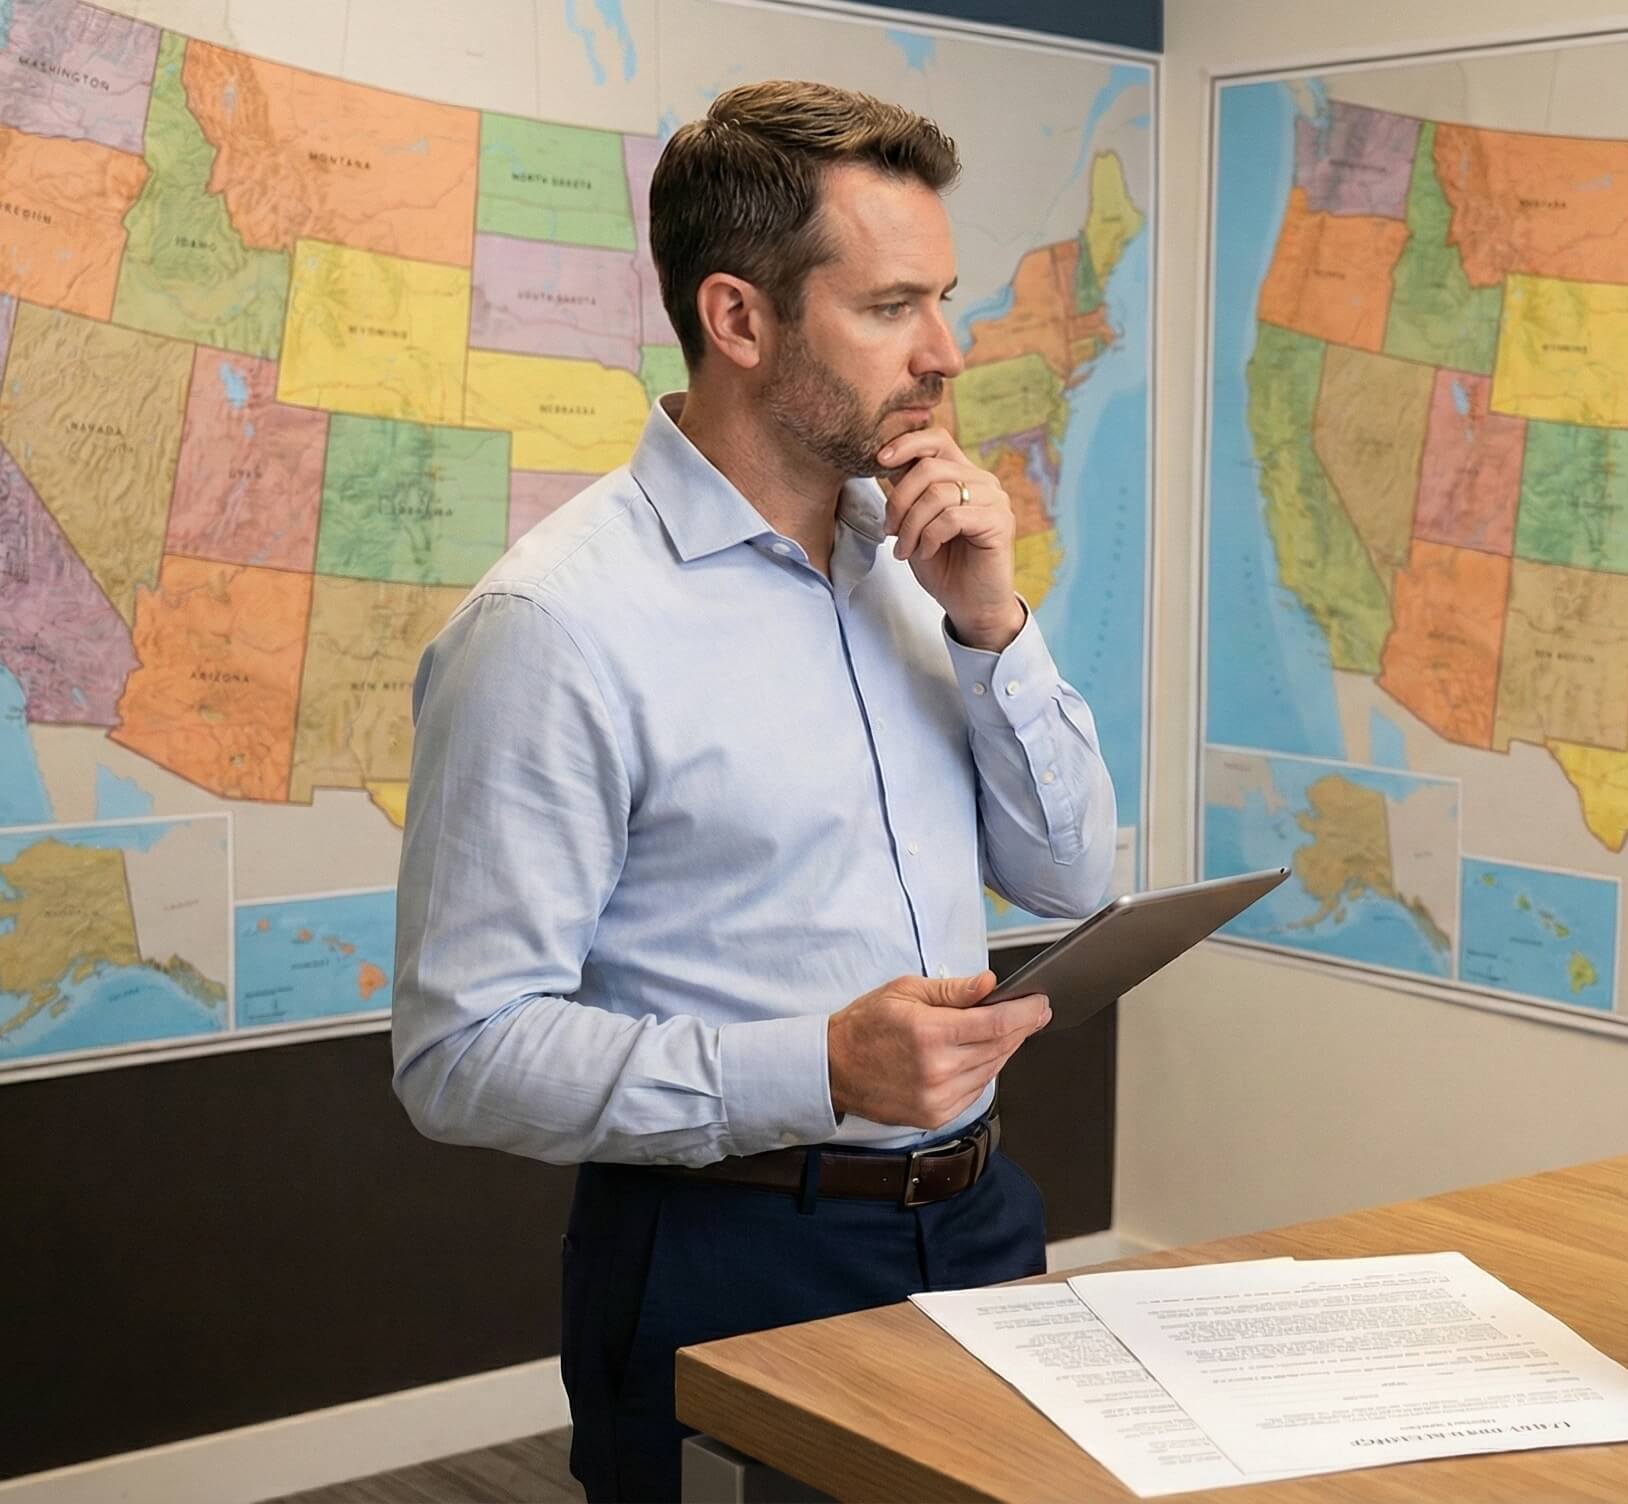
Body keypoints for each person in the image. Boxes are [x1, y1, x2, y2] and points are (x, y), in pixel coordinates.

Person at [388, 79, 1116, 1503]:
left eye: (944, 300)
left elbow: (1073, 882)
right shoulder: (553, 628)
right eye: (893, 306)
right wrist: (820, 1068)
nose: (947, 354)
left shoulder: (924, 559)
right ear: (740, 319)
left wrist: (992, 626)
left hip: (980, 1217)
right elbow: (458, 1053)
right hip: (730, 1254)